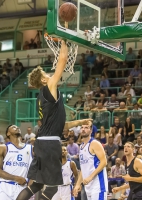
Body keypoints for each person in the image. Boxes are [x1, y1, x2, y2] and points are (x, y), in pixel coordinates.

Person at [17, 40, 91, 200]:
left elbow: (61, 125)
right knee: (53, 187)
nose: (49, 76)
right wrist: (64, 42)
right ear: (43, 80)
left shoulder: (40, 97)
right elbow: (62, 61)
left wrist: (80, 122)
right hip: (50, 144)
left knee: (36, 185)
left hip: (41, 142)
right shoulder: (49, 86)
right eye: (46, 75)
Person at [0, 125, 33, 200]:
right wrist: (16, 178)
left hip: (23, 188)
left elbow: (36, 170)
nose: (17, 128)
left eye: (18, 127)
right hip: (5, 186)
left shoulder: (31, 148)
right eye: (14, 127)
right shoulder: (2, 147)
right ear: (8, 133)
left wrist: (30, 188)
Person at [73, 122, 108, 200]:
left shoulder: (94, 143)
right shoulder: (81, 146)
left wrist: (90, 177)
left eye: (86, 127)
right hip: (88, 186)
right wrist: (78, 184)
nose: (83, 129)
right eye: (82, 127)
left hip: (98, 184)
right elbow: (83, 168)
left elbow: (104, 162)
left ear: (91, 131)